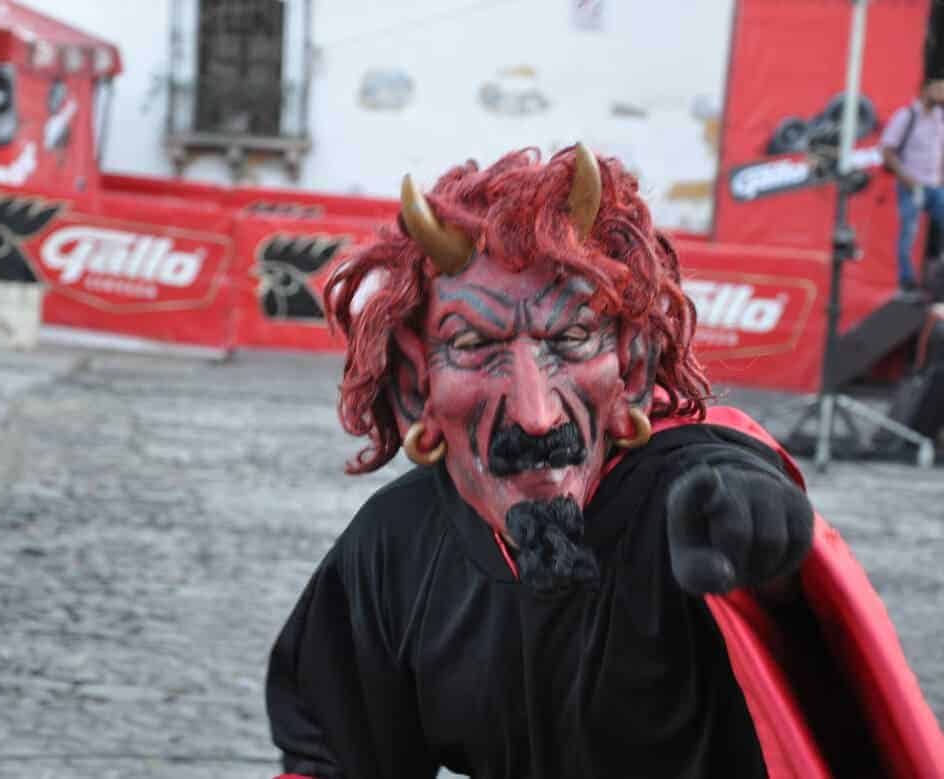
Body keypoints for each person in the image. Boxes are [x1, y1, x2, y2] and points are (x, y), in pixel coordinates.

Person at [266, 146, 943, 779]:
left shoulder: (679, 502)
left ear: (634, 370)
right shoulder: (396, 548)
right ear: (418, 389)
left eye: (571, 338)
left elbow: (727, 484)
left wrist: (759, 535)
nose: (536, 413)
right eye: (474, 343)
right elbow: (329, 750)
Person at [881, 77, 944, 293]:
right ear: (924, 90)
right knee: (909, 232)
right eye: (938, 88)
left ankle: (936, 278)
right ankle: (906, 280)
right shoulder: (907, 116)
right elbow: (887, 150)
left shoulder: (939, 117)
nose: (942, 93)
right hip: (912, 184)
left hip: (934, 184)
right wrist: (905, 177)